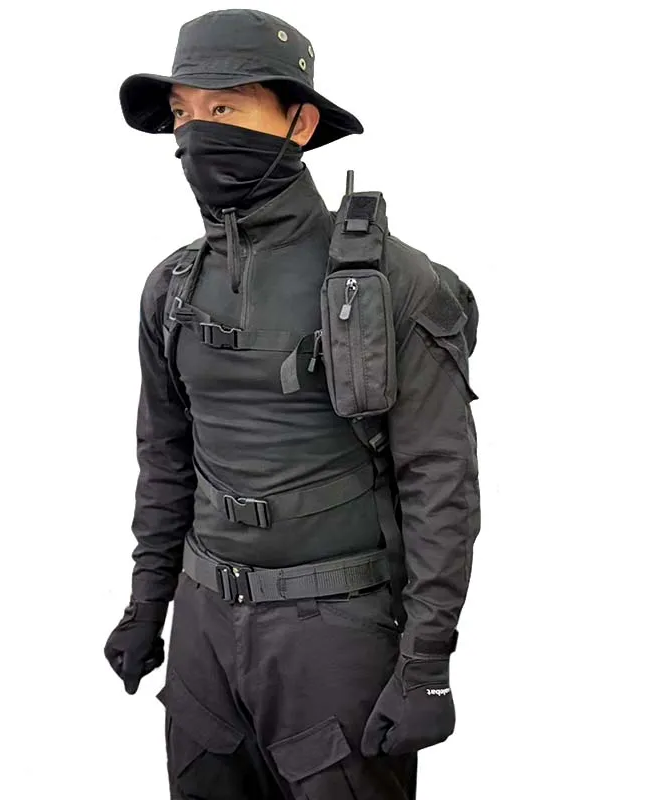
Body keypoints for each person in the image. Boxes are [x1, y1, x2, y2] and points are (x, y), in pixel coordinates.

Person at [104, 9, 481, 799]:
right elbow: (164, 460)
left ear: (300, 123)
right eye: (183, 112)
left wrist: (427, 662)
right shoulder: (171, 288)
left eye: (225, 106)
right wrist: (146, 604)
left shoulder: (393, 283)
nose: (196, 134)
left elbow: (440, 481)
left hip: (336, 640)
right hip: (204, 634)